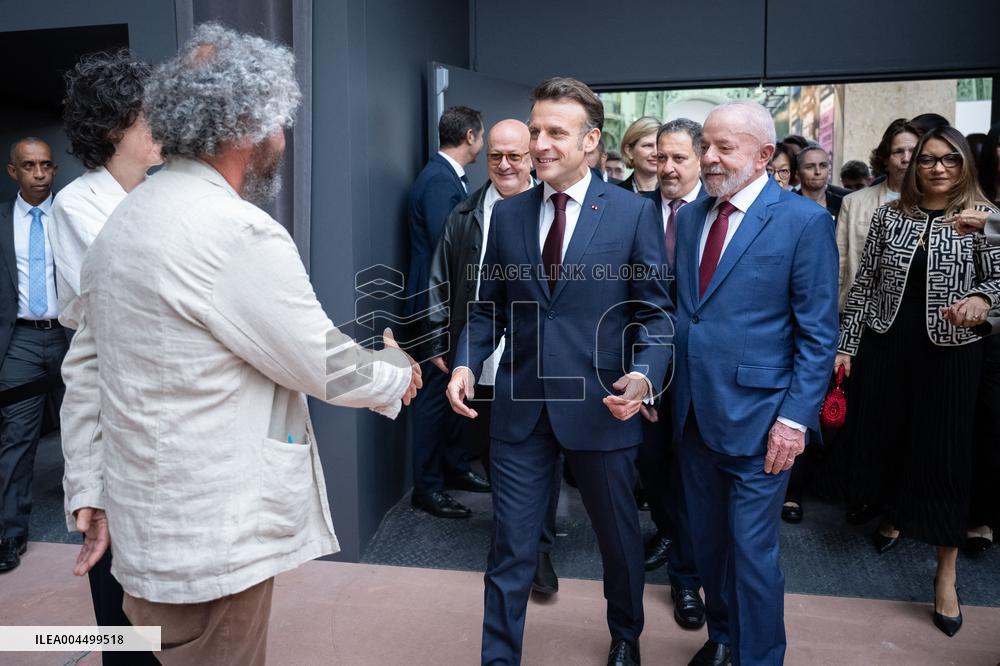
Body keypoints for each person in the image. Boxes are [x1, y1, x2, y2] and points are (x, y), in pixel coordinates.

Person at [61, 24, 421, 665]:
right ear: (249, 127)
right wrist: (397, 372)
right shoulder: (236, 230)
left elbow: (87, 367)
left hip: (149, 535)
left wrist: (92, 490)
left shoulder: (125, 221)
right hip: (211, 547)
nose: (284, 139)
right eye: (281, 122)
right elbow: (324, 363)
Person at [447, 76, 673, 666]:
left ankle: (626, 635)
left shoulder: (630, 214)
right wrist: (467, 364)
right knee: (511, 546)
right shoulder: (510, 216)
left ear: (591, 140)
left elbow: (654, 314)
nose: (539, 143)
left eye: (555, 132)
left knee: (618, 541)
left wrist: (646, 375)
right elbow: (487, 309)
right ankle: (499, 657)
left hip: (601, 406)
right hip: (520, 408)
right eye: (536, 129)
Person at [672, 102, 838, 665]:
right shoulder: (694, 216)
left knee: (753, 554)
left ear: (765, 155)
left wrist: (794, 421)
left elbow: (818, 335)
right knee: (709, 547)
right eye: (706, 147)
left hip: (763, 423)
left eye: (725, 148)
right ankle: (722, 639)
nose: (709, 158)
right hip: (693, 414)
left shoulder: (803, 222)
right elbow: (685, 315)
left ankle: (759, 657)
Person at [836, 124, 1000, 638]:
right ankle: (895, 515)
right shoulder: (890, 216)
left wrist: (984, 302)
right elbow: (865, 282)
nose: (937, 167)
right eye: (927, 159)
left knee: (945, 456)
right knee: (891, 442)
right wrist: (847, 343)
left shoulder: (987, 218)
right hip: (888, 345)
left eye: (949, 159)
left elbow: (999, 277)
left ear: (964, 165)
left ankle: (945, 573)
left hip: (951, 352)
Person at [48, 49, 162, 665]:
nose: (165, 125)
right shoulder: (77, 205)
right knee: (120, 613)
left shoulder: (156, 193)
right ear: (118, 124)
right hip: (110, 407)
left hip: (157, 417)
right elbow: (137, 300)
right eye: (152, 114)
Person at [425, 119, 560, 595]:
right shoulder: (464, 213)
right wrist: (444, 340)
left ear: (533, 157)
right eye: (496, 156)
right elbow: (440, 279)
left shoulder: (553, 212)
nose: (504, 164)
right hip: (477, 354)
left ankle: (537, 552)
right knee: (495, 453)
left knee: (538, 455)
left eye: (515, 156)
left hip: (533, 356)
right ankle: (509, 542)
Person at [639, 117, 707, 630]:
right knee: (655, 468)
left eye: (678, 158)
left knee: (694, 478)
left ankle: (687, 581)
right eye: (660, 157)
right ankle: (670, 535)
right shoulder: (635, 214)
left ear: (702, 158)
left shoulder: (718, 215)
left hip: (705, 374)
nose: (666, 168)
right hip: (644, 369)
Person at [407, 105, 490, 519]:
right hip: (435, 306)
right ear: (472, 136)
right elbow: (449, 250)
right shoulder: (440, 181)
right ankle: (428, 487)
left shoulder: (447, 178)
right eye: (484, 136)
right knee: (434, 398)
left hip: (453, 306)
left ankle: (456, 469)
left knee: (455, 386)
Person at [0, 138, 68, 574]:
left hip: (70, 337)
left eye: (46, 165)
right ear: (14, 172)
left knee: (89, 427)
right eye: (29, 166)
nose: (39, 174)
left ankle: (100, 520)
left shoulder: (70, 217)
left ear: (55, 169)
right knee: (17, 438)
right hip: (20, 341)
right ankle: (9, 533)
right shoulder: (2, 221)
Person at [836, 119, 919, 313]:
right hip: (862, 309)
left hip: (915, 310)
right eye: (898, 151)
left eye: (913, 151)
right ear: (885, 159)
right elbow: (839, 263)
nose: (906, 159)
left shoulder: (937, 203)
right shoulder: (854, 202)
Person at [795, 144, 849, 219]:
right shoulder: (787, 205)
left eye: (823, 166)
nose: (818, 172)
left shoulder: (843, 204)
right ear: (797, 173)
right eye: (810, 167)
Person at [618, 116, 661, 194]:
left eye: (660, 146)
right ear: (629, 151)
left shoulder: (677, 196)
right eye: (648, 145)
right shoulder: (615, 195)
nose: (656, 153)